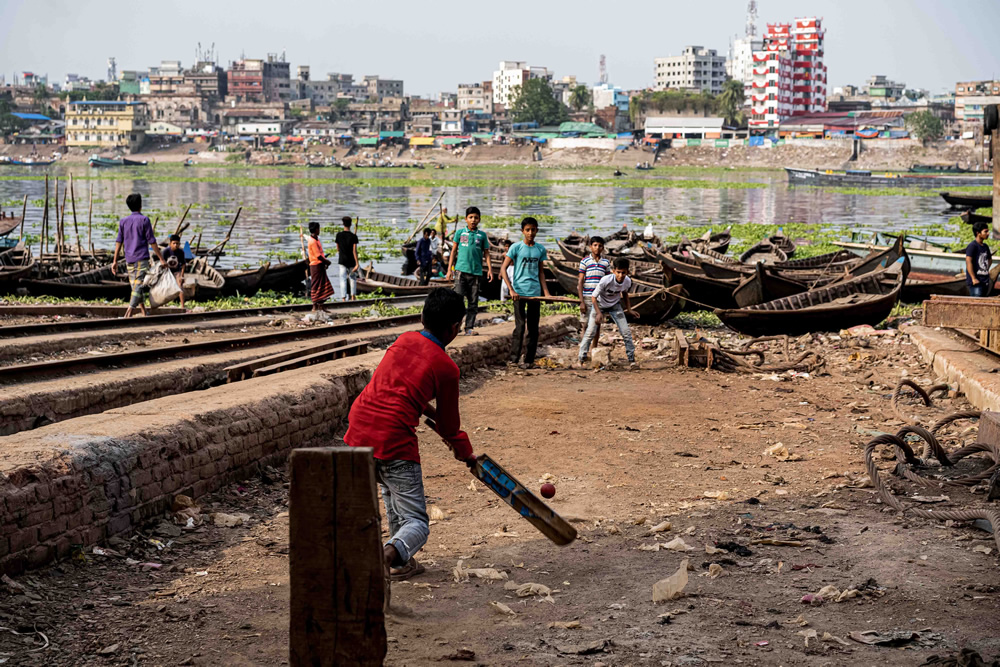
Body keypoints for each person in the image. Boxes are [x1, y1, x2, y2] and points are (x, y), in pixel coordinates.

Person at [345, 288, 477, 582]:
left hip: (358, 430)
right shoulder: (447, 368)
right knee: (417, 520)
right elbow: (449, 427)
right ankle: (387, 556)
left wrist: (436, 420)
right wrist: (464, 451)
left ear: (422, 316)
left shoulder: (403, 340)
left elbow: (404, 394)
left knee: (391, 494)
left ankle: (401, 564)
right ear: (455, 327)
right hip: (393, 438)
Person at [501, 217, 550, 368]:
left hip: (534, 293)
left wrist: (546, 293)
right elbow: (503, 269)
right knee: (520, 326)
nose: (530, 233)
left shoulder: (540, 249)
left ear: (537, 231)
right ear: (522, 231)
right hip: (519, 293)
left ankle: (529, 360)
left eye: (533, 230)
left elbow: (541, 273)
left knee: (533, 328)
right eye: (527, 230)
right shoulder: (516, 247)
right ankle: (514, 359)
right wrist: (511, 289)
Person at [111, 193, 166, 318]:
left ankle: (143, 312)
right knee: (137, 286)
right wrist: (161, 259)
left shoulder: (123, 221)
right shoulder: (144, 220)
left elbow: (118, 242)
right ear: (140, 205)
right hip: (141, 258)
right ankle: (128, 313)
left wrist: (115, 261)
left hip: (129, 259)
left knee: (136, 286)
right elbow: (152, 241)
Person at [578, 257, 639, 369]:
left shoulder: (627, 281)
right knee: (590, 332)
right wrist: (598, 313)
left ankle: (632, 360)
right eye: (618, 272)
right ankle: (581, 358)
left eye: (623, 273)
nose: (621, 275)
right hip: (599, 305)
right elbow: (593, 297)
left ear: (627, 272)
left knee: (626, 333)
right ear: (613, 271)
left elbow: (625, 294)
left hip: (615, 306)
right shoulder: (606, 280)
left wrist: (629, 309)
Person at [446, 206, 493, 335]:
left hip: (476, 273)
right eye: (471, 217)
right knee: (457, 301)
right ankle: (455, 326)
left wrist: (489, 269)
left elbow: (487, 254)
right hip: (461, 271)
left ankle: (469, 328)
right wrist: (449, 270)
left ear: (479, 219)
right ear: (466, 219)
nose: (473, 220)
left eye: (476, 218)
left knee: (473, 302)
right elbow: (454, 251)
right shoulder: (460, 233)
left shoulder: (482, 235)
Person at [576, 236, 611, 362]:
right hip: (587, 297)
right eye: (595, 245)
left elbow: (608, 282)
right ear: (590, 247)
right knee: (585, 325)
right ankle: (584, 351)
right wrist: (581, 301)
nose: (597, 248)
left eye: (600, 246)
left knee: (596, 325)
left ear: (603, 248)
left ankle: (594, 350)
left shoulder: (606, 263)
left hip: (600, 299)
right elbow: (580, 282)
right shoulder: (585, 261)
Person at [307, 222, 334, 309]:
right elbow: (318, 256)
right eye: (318, 229)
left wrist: (324, 263)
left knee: (323, 285)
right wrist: (327, 262)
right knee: (315, 285)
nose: (319, 230)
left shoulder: (316, 239)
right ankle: (314, 305)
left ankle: (321, 306)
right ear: (316, 230)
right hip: (315, 265)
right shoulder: (312, 241)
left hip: (320, 265)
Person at [334, 216, 360, 301]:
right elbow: (354, 251)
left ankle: (343, 298)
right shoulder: (353, 236)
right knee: (353, 278)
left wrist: (342, 252)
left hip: (342, 260)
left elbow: (337, 248)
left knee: (343, 279)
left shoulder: (339, 235)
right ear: (351, 224)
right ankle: (353, 297)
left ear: (343, 224)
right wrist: (357, 263)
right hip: (351, 261)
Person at [966, 221, 993, 297]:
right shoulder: (972, 246)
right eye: (985, 231)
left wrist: (985, 270)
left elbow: (990, 260)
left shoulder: (985, 246)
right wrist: (973, 278)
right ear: (978, 233)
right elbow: (968, 262)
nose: (988, 233)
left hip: (985, 281)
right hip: (976, 283)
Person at [162, 234, 188, 310]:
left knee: (180, 286)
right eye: (174, 243)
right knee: (165, 287)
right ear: (170, 244)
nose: (175, 245)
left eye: (177, 243)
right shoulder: (165, 251)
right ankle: (164, 304)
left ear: (179, 244)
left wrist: (182, 276)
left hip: (177, 271)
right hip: (167, 271)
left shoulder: (181, 252)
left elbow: (183, 264)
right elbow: (162, 263)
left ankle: (182, 306)